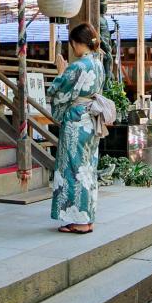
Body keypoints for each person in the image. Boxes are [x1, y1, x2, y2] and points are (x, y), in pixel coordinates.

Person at [48, 22, 105, 234]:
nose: (73, 48)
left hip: (76, 121)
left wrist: (61, 71)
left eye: (73, 44)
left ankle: (79, 221)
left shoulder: (79, 66)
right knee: (86, 168)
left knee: (73, 169)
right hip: (90, 120)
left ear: (77, 43)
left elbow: (60, 91)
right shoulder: (98, 63)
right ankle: (87, 219)